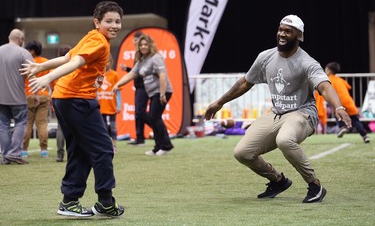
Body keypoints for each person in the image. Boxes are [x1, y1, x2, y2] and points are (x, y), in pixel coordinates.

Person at [204, 15, 352, 203]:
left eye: (288, 31)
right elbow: (245, 83)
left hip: (303, 113)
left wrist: (338, 106)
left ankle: (315, 185)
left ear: (299, 35)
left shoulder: (307, 62)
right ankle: (278, 180)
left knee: (284, 140)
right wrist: (219, 102)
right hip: (277, 113)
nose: (282, 34)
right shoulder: (265, 57)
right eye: (280, 29)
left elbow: (324, 86)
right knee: (242, 152)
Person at [20, 1, 125, 217]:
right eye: (109, 21)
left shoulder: (92, 36)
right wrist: (48, 76)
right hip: (77, 100)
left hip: (65, 99)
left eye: (117, 21)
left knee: (80, 151)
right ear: (97, 22)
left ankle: (69, 202)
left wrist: (41, 66)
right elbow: (75, 61)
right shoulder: (99, 42)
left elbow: (67, 57)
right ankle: (106, 203)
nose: (114, 25)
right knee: (104, 149)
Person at [113, 34, 174, 156]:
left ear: (150, 45)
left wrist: (162, 94)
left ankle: (166, 145)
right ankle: (158, 147)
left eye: (146, 44)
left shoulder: (156, 57)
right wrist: (117, 84)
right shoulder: (141, 60)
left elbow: (163, 76)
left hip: (162, 91)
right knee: (154, 118)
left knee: (155, 118)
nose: (143, 46)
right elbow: (131, 74)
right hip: (153, 93)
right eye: (141, 45)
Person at [0, 29, 32, 165]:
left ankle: (5, 156)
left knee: (3, 126)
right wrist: (35, 93)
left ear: (9, 37)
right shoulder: (24, 53)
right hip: (18, 97)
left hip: (1, 97)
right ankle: (14, 154)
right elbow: (32, 73)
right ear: (21, 40)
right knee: (20, 123)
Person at [324, 62, 371, 143]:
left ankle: (343, 127)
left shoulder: (329, 80)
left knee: (337, 114)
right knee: (356, 121)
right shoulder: (340, 80)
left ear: (329, 71)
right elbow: (349, 86)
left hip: (340, 103)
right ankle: (365, 136)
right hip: (349, 103)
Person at [22, 41, 51, 158]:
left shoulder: (26, 63)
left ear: (32, 51)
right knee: (42, 123)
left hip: (29, 96)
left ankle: (24, 150)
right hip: (44, 96)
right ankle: (44, 150)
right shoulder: (47, 62)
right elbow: (52, 81)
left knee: (28, 123)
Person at [120, 31, 148, 146]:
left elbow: (141, 71)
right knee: (139, 113)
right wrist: (127, 69)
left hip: (144, 86)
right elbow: (136, 71)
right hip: (139, 86)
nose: (135, 44)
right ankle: (139, 137)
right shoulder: (138, 54)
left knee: (140, 113)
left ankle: (148, 135)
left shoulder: (144, 55)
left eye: (136, 41)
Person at [98, 55, 121, 153]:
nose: (105, 64)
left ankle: (114, 145)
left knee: (113, 127)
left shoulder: (115, 75)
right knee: (102, 127)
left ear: (111, 62)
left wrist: (119, 105)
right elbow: (95, 89)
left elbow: (118, 91)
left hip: (111, 105)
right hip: (101, 105)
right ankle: (105, 145)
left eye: (107, 62)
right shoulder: (99, 75)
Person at [53, 44, 72, 162]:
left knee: (60, 128)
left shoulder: (55, 67)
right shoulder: (73, 66)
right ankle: (72, 154)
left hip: (58, 97)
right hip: (71, 98)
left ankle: (60, 154)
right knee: (73, 128)